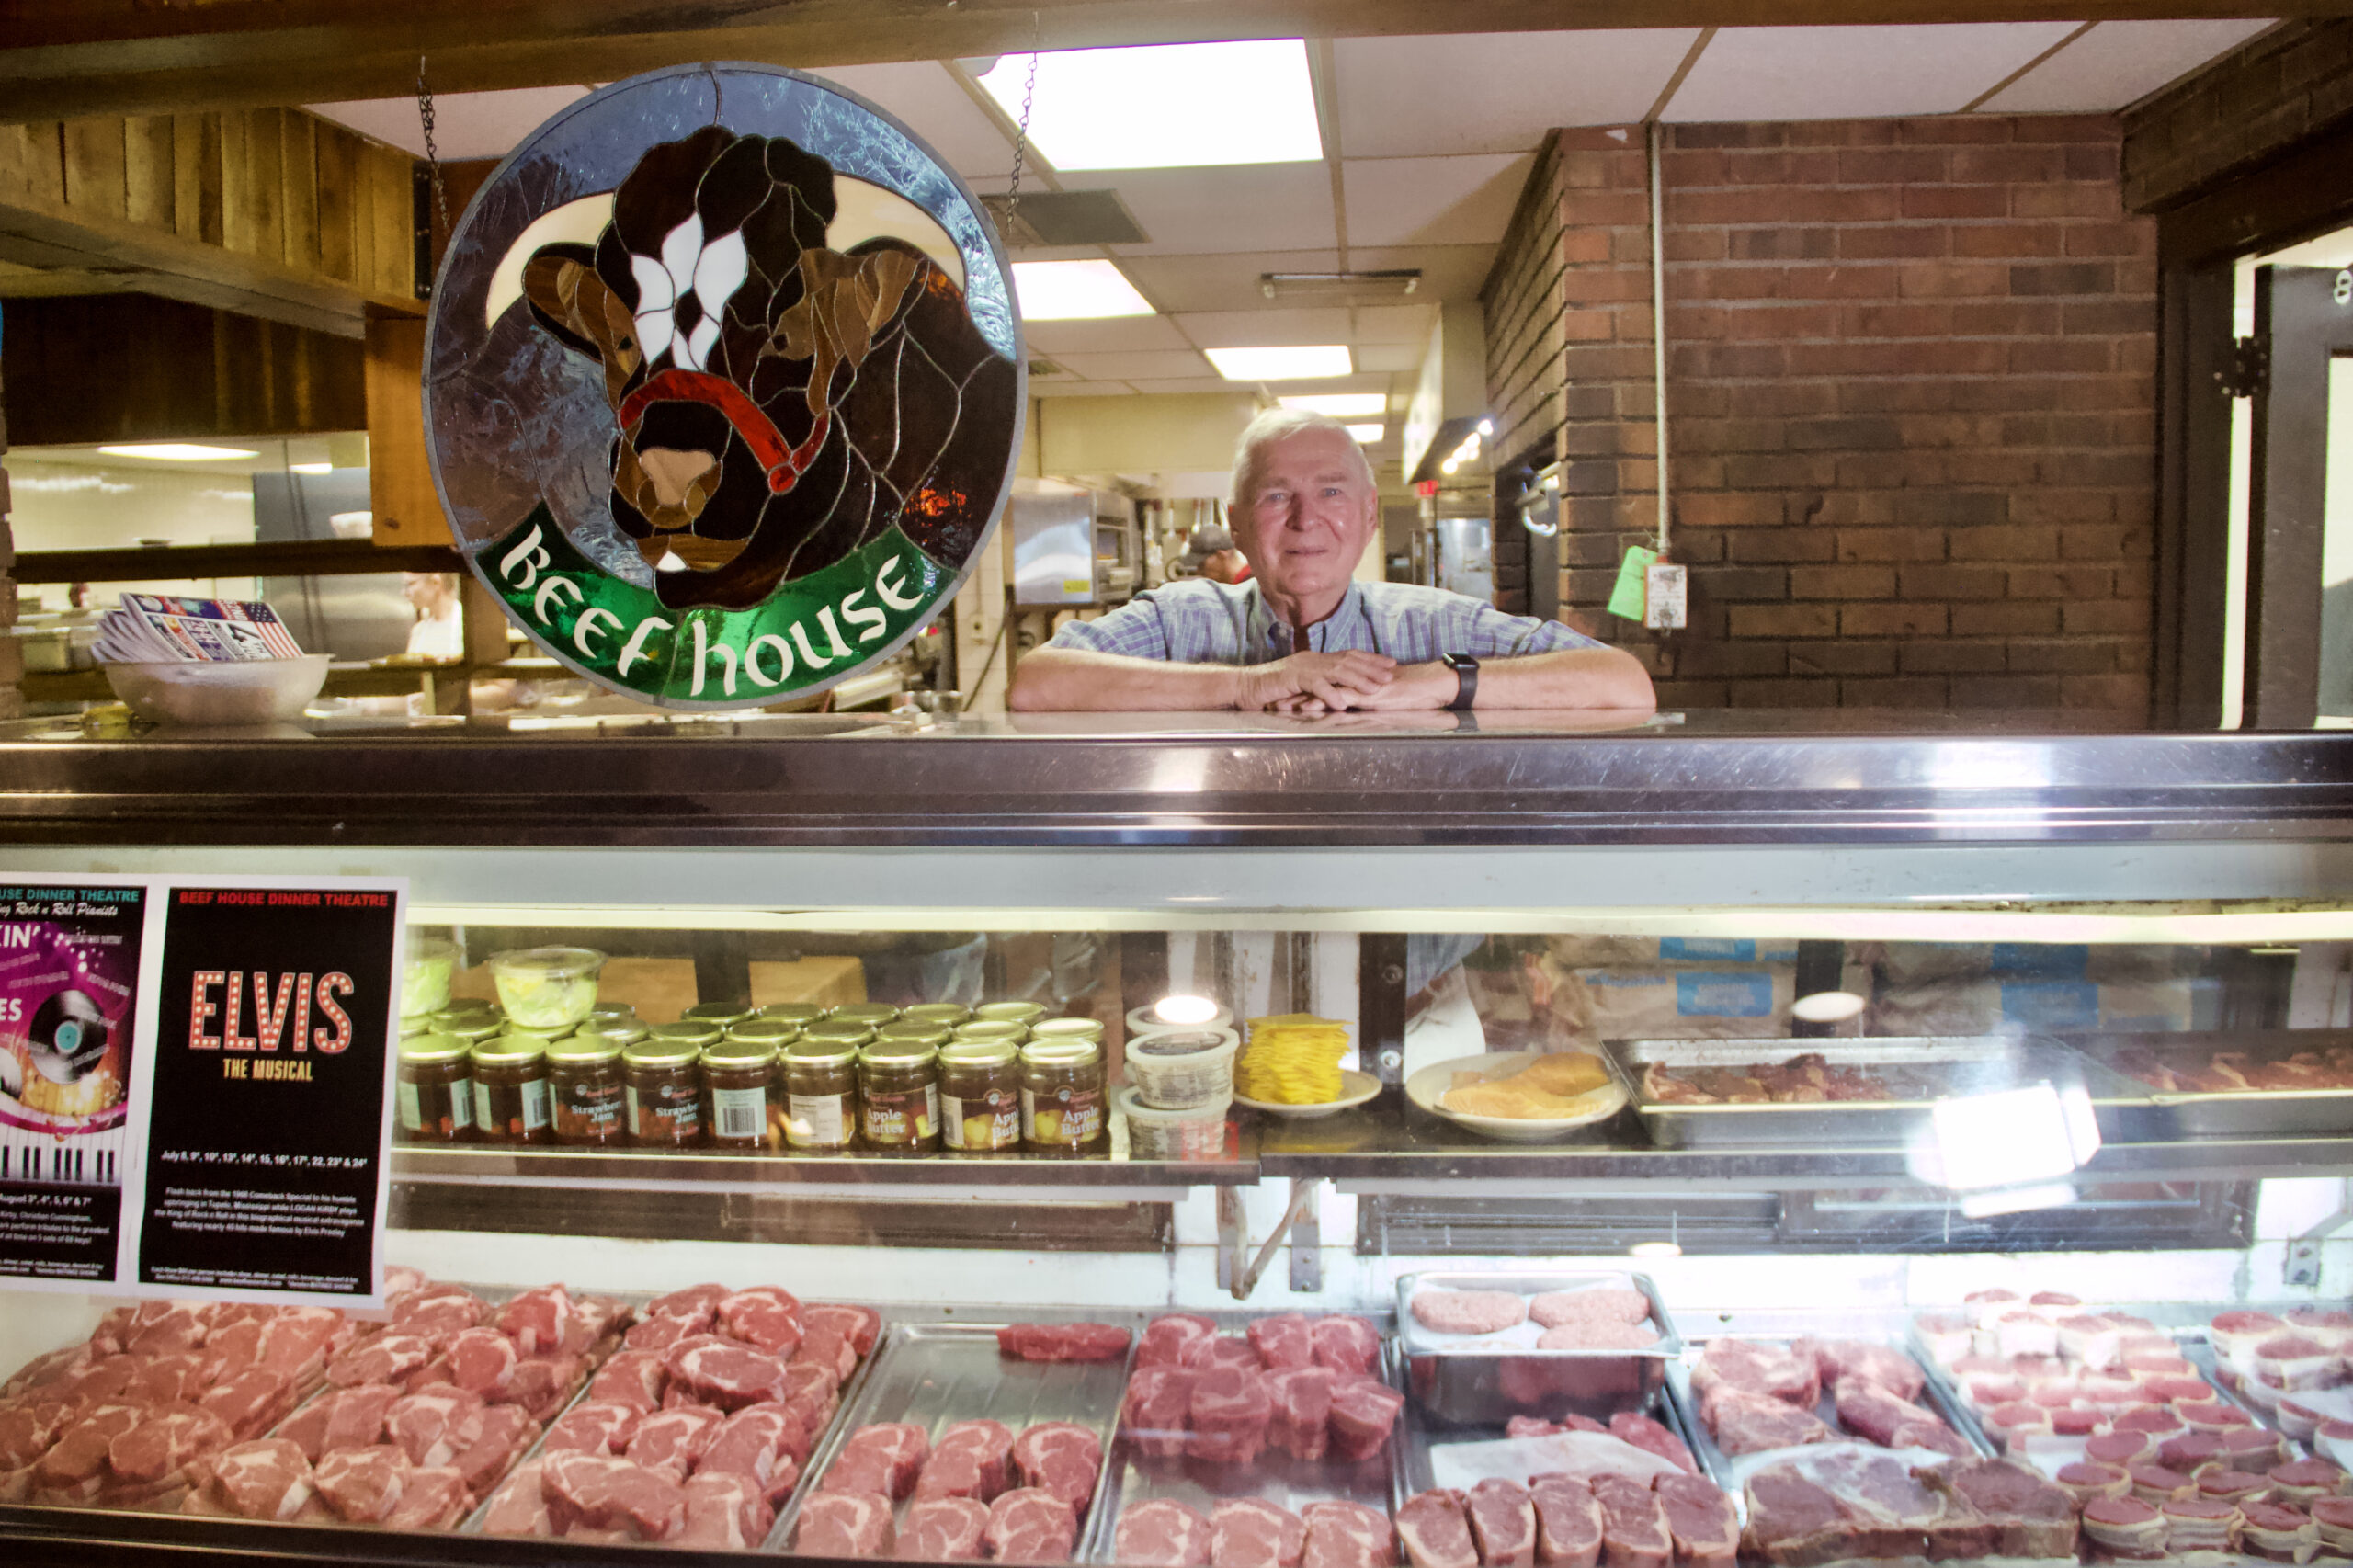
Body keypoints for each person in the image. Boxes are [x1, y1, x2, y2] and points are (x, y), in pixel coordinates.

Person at [1008, 408, 1655, 714]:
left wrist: (1433, 682)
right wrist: (1247, 684)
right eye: (1276, 495)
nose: (1304, 518)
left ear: (1370, 514)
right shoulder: (1183, 620)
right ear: (1235, 522)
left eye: (1331, 492)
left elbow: (1622, 682)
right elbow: (1035, 684)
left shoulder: (1426, 626)